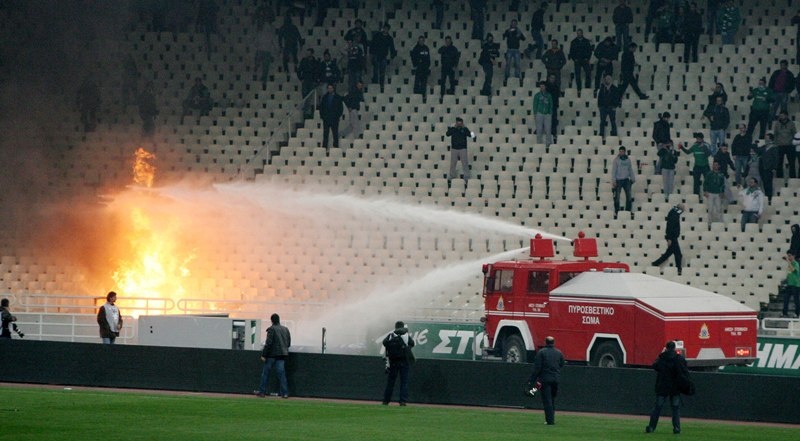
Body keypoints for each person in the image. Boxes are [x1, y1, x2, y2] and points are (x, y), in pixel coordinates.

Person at [645, 340, 689, 434]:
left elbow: (655, 366)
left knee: (658, 407)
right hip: (675, 387)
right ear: (674, 348)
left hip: (663, 386)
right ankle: (677, 428)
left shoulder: (662, 358)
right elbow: (684, 367)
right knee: (675, 408)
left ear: (666, 348)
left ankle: (651, 427)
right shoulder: (679, 358)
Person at [528, 336, 565, 425]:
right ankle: (551, 418)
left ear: (546, 342)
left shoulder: (541, 353)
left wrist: (531, 380)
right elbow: (561, 364)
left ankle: (550, 421)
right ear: (553, 342)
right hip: (555, 380)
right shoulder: (559, 353)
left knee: (547, 400)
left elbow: (537, 368)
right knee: (552, 400)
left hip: (544, 380)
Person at [256, 313, 291, 398]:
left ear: (271, 320)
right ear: (279, 320)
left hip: (271, 355)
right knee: (281, 375)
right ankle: (285, 393)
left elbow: (268, 343)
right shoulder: (285, 329)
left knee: (265, 374)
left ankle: (262, 392)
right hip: (282, 355)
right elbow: (288, 343)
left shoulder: (271, 329)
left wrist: (264, 355)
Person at [382, 320, 415, 406]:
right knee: (404, 382)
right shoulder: (406, 335)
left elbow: (384, 343)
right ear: (403, 326)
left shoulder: (391, 335)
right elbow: (412, 343)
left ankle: (386, 401)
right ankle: (402, 401)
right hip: (404, 362)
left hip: (393, 362)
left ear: (395, 327)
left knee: (390, 382)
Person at [652, 204, 685, 275]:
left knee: (668, 253)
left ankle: (655, 263)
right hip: (672, 237)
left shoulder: (674, 213)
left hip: (672, 237)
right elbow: (670, 226)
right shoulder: (674, 214)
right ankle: (678, 269)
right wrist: (669, 238)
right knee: (678, 254)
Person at [679, 133, 711, 198]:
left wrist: (703, 148)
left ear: (702, 139)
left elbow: (708, 154)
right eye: (697, 138)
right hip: (697, 166)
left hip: (705, 166)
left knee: (707, 181)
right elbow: (687, 152)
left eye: (699, 139)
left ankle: (708, 194)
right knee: (696, 182)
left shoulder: (706, 145)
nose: (698, 140)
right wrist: (681, 147)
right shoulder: (694, 146)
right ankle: (696, 196)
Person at [446, 117, 475, 183]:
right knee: (453, 163)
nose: (459, 124)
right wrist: (453, 127)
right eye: (458, 123)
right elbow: (447, 134)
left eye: (460, 123)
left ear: (462, 123)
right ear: (456, 123)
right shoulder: (453, 129)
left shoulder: (465, 129)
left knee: (465, 163)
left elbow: (472, 136)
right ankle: (452, 176)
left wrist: (466, 128)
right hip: (454, 149)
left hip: (463, 149)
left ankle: (467, 177)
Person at [370, 24, 397, 92]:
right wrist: (372, 54)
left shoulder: (389, 38)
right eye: (384, 28)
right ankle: (375, 85)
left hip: (383, 56)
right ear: (383, 28)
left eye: (387, 29)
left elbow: (392, 48)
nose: (385, 30)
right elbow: (372, 45)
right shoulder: (377, 35)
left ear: (388, 29)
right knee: (376, 71)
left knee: (382, 72)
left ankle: (381, 86)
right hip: (376, 55)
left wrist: (392, 56)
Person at [772, 111, 797, 179]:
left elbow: (794, 134)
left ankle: (793, 178)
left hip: (790, 146)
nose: (781, 117)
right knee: (779, 163)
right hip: (780, 146)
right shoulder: (777, 124)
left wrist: (792, 143)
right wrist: (775, 143)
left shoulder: (791, 124)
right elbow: (775, 134)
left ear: (786, 116)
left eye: (782, 115)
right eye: (780, 116)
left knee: (792, 163)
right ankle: (779, 178)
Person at [611, 146, 635, 215]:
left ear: (625, 152)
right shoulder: (616, 160)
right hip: (618, 180)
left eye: (622, 151)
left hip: (626, 180)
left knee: (629, 195)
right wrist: (614, 180)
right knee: (617, 196)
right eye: (620, 151)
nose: (621, 152)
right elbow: (614, 171)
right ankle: (617, 211)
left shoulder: (628, 160)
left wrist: (633, 178)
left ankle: (628, 210)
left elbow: (630, 169)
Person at [297, 48, 321, 119]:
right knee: (305, 95)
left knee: (309, 96)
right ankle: (306, 111)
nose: (307, 54)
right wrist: (301, 78)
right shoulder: (303, 61)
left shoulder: (316, 62)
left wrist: (316, 81)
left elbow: (318, 72)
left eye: (308, 53)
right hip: (305, 81)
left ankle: (307, 112)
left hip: (312, 81)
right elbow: (299, 70)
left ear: (311, 53)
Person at [319, 84, 344, 149]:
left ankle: (335, 147)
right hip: (326, 119)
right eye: (329, 88)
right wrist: (322, 116)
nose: (330, 89)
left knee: (335, 134)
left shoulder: (338, 97)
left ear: (333, 89)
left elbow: (340, 108)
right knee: (325, 134)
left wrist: (337, 116)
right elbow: (321, 107)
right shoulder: (324, 97)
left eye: (331, 88)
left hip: (334, 119)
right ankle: (324, 147)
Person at [703, 161, 726, 227]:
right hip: (710, 193)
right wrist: (705, 191)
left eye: (716, 165)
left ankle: (720, 223)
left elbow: (722, 184)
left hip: (718, 194)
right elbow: (705, 183)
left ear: (718, 166)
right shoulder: (709, 174)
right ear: (712, 166)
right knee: (710, 209)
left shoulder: (721, 175)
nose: (715, 166)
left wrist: (722, 192)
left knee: (718, 209)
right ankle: (709, 223)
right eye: (714, 165)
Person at [758, 134, 779, 203]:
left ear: (771, 139)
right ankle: (767, 196)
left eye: (767, 138)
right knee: (764, 183)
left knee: (768, 183)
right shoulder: (763, 147)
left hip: (769, 168)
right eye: (765, 138)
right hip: (762, 167)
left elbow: (776, 159)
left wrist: (774, 168)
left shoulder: (774, 148)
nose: (766, 139)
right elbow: (758, 151)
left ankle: (769, 197)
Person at [533, 81, 554, 147]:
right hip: (539, 113)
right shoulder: (537, 95)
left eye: (543, 86)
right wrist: (535, 113)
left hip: (547, 114)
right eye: (540, 86)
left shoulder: (549, 95)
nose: (541, 88)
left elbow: (551, 104)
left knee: (548, 129)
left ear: (545, 87)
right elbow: (535, 105)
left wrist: (550, 113)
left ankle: (548, 143)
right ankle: (539, 143)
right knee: (539, 129)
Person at [782, 252, 800, 318]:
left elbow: (793, 270)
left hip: (796, 285)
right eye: (788, 256)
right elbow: (789, 273)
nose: (788, 257)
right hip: (789, 284)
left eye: (790, 256)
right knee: (786, 299)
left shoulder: (796, 263)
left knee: (796, 301)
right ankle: (785, 313)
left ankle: (797, 314)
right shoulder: (790, 264)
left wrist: (788, 262)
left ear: (793, 256)